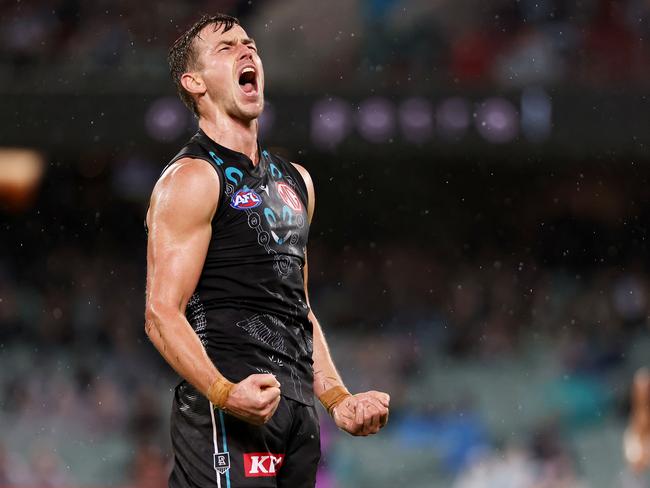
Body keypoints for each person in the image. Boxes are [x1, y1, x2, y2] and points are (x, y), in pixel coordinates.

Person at [144, 13, 390, 488]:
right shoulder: (193, 177)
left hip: (296, 417)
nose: (246, 51)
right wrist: (223, 392)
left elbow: (299, 310)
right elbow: (160, 312)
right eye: (226, 48)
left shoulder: (297, 182)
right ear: (194, 82)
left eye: (249, 44)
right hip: (230, 406)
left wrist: (338, 401)